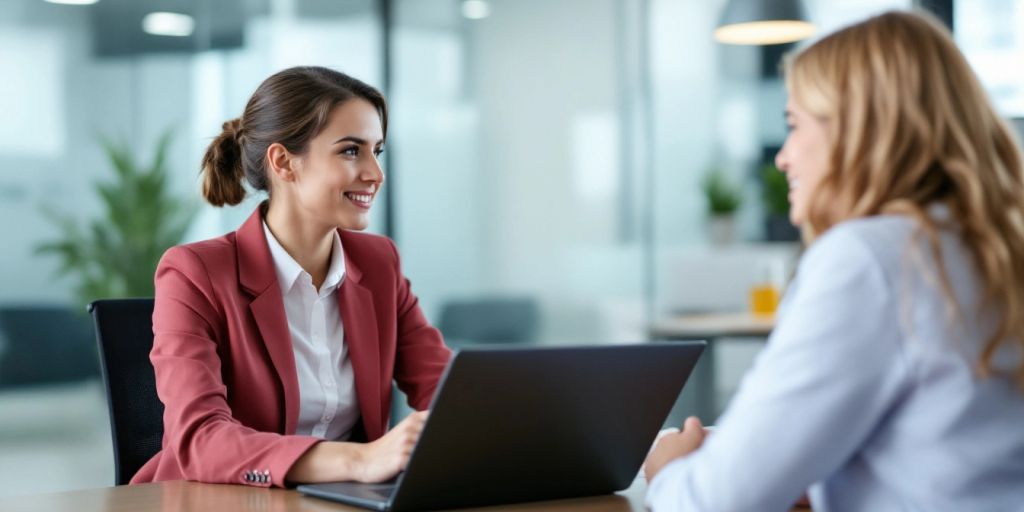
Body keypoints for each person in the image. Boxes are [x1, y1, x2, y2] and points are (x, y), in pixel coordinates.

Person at [645, 11, 1024, 511]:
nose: (783, 157)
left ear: (859, 131)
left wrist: (670, 471)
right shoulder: (990, 247)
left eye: (795, 125)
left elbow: (718, 501)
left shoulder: (871, 259)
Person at [132, 66, 452, 488]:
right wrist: (360, 460)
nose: (375, 173)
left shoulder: (379, 264)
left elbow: (448, 394)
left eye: (378, 150)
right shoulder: (194, 273)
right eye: (351, 151)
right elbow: (200, 440)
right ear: (283, 162)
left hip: (338, 500)